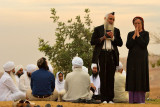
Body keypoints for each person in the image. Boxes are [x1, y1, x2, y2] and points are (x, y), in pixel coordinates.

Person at [90, 12, 123, 103]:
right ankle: (104, 99)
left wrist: (113, 38)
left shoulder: (116, 30)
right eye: (110, 19)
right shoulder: (98, 29)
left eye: (113, 19)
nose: (112, 21)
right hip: (101, 54)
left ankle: (110, 99)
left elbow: (120, 43)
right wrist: (103, 38)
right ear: (105, 19)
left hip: (111, 55)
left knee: (111, 77)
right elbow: (92, 42)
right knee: (103, 77)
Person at [126, 16, 150, 104]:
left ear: (142, 24)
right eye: (135, 23)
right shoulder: (130, 34)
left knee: (140, 77)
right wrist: (134, 36)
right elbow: (128, 45)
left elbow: (144, 44)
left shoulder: (146, 33)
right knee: (132, 78)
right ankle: (132, 100)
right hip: (132, 60)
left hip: (141, 60)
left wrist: (138, 35)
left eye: (138, 23)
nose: (137, 25)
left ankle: (140, 100)